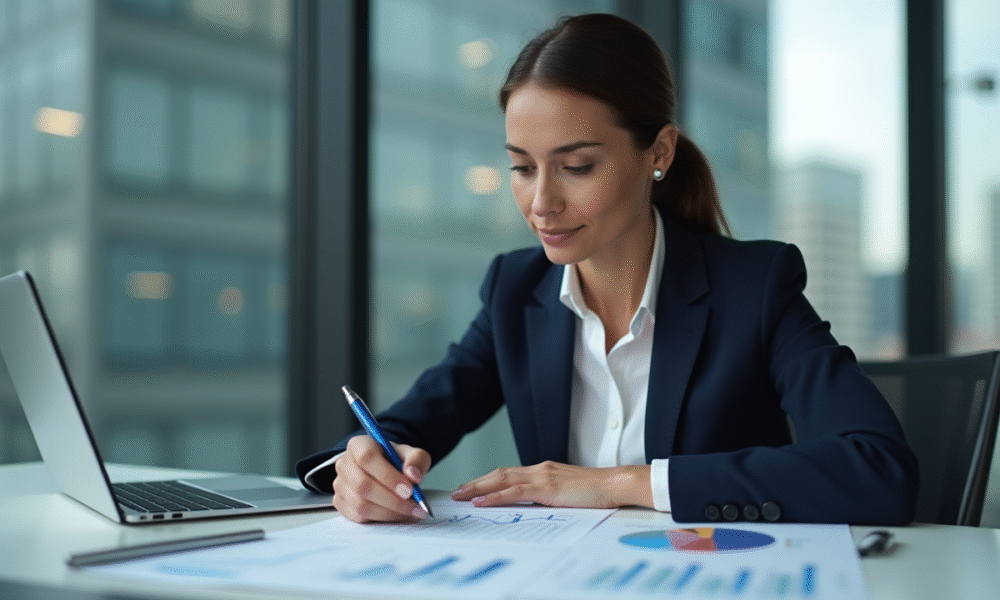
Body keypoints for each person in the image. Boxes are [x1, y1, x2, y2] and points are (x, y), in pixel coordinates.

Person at [296, 13, 919, 526]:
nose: (542, 203)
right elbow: (403, 427)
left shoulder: (755, 288)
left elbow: (877, 468)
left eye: (577, 166)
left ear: (659, 153)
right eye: (521, 166)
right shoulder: (516, 291)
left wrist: (617, 484)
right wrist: (361, 469)